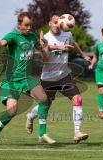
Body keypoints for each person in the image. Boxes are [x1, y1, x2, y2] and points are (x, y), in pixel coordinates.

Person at [0, 12, 56, 145]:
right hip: (12, 80)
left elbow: (45, 56)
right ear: (19, 24)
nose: (29, 28)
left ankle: (42, 133)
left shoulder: (32, 37)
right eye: (26, 25)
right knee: (12, 111)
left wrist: (45, 46)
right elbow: (2, 42)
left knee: (44, 99)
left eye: (30, 25)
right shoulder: (12, 36)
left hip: (27, 78)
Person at [26, 14, 90, 143]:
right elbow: (44, 60)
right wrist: (45, 47)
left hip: (64, 76)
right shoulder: (46, 39)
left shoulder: (67, 35)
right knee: (45, 106)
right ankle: (30, 116)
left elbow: (74, 44)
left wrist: (83, 55)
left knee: (77, 99)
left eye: (59, 22)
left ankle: (77, 132)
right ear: (50, 23)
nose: (57, 25)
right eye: (55, 22)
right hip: (48, 79)